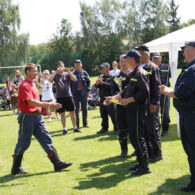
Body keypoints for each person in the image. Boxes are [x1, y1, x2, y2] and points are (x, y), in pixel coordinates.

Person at [11, 63, 73, 175]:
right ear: (28, 72)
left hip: (38, 117)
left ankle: (57, 163)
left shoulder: (33, 83)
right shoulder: (25, 85)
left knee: (46, 139)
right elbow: (31, 102)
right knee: (24, 143)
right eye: (34, 70)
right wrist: (48, 105)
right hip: (27, 117)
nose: (37, 72)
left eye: (36, 70)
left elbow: (38, 95)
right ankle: (16, 167)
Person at [105, 49, 150, 175]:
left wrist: (129, 100)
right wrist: (113, 98)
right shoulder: (133, 73)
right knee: (134, 138)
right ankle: (140, 163)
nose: (125, 61)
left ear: (131, 59)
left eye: (127, 58)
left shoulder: (140, 73)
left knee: (138, 138)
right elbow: (125, 90)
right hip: (131, 110)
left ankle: (145, 167)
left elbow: (144, 92)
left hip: (136, 110)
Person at [159, 41, 195, 192]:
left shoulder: (192, 70)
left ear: (192, 50)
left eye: (185, 49)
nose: (183, 52)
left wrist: (167, 91)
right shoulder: (189, 68)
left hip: (191, 115)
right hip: (187, 114)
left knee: (192, 149)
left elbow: (181, 92)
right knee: (190, 149)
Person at [135, 45, 162, 163]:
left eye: (140, 53)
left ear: (146, 54)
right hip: (141, 104)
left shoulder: (153, 67)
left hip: (150, 104)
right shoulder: (138, 67)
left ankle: (157, 153)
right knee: (144, 129)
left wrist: (154, 103)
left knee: (152, 129)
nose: (138, 56)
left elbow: (156, 87)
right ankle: (149, 152)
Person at [49, 61, 81, 135]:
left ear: (64, 66)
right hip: (60, 97)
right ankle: (64, 129)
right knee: (62, 114)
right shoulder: (55, 75)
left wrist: (68, 71)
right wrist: (55, 72)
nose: (61, 67)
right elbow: (49, 80)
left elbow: (75, 79)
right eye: (59, 66)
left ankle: (75, 127)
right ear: (57, 67)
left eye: (62, 66)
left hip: (68, 95)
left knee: (72, 112)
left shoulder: (67, 74)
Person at [111, 54, 130, 157]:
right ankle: (124, 150)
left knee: (134, 130)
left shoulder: (133, 75)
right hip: (120, 107)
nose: (123, 63)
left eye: (125, 61)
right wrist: (121, 98)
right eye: (121, 61)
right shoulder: (116, 77)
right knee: (122, 130)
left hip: (132, 107)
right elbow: (113, 92)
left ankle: (137, 149)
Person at [95, 62, 118, 134]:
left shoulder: (112, 76)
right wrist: (97, 83)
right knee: (103, 114)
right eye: (101, 67)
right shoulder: (101, 76)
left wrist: (102, 83)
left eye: (103, 67)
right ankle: (104, 128)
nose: (102, 69)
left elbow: (111, 86)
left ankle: (116, 128)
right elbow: (96, 86)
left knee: (112, 114)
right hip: (102, 98)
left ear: (108, 68)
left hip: (109, 99)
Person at [152, 52, 171, 136]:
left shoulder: (166, 67)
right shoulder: (149, 68)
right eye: (154, 58)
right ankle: (156, 127)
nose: (156, 60)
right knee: (154, 111)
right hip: (153, 93)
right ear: (152, 59)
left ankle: (165, 128)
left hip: (165, 92)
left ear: (161, 59)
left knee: (165, 111)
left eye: (158, 58)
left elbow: (170, 77)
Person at [71, 59, 91, 128]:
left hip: (83, 93)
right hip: (75, 93)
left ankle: (85, 123)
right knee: (76, 109)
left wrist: (88, 92)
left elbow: (89, 82)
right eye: (76, 64)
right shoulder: (72, 74)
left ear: (81, 65)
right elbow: (70, 84)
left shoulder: (85, 73)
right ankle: (77, 124)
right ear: (75, 65)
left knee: (84, 108)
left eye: (79, 64)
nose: (78, 66)